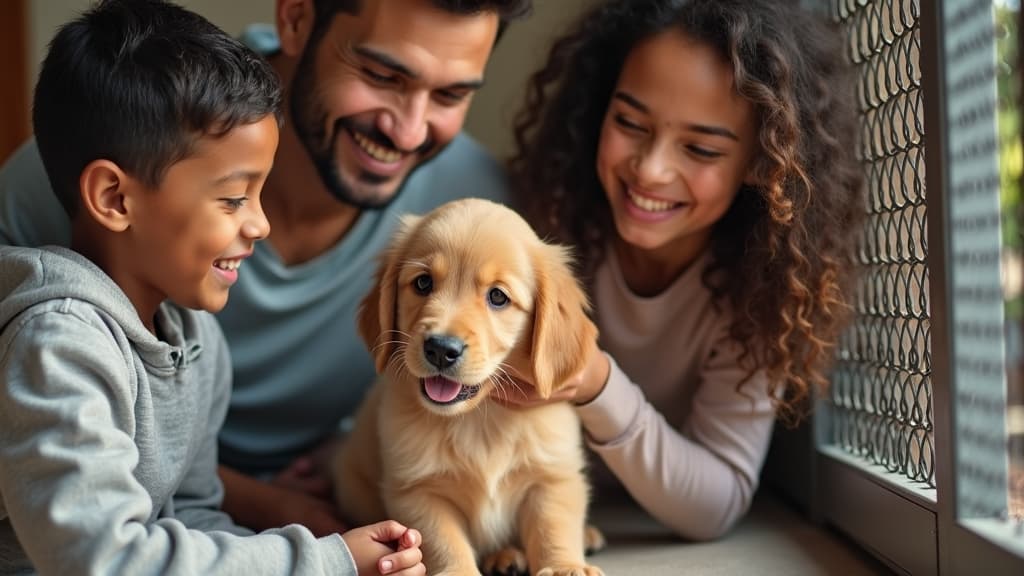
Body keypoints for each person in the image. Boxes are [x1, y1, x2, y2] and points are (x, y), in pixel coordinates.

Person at [0, 0, 532, 535]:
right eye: (381, 75)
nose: (411, 131)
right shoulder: (106, 146)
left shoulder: (480, 215)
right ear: (296, 18)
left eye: (450, 94)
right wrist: (270, 507)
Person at [505, 0, 864, 540]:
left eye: (699, 148)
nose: (650, 170)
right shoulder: (545, 224)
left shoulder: (761, 290)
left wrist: (595, 384)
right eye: (629, 122)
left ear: (764, 161)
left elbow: (715, 503)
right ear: (598, 108)